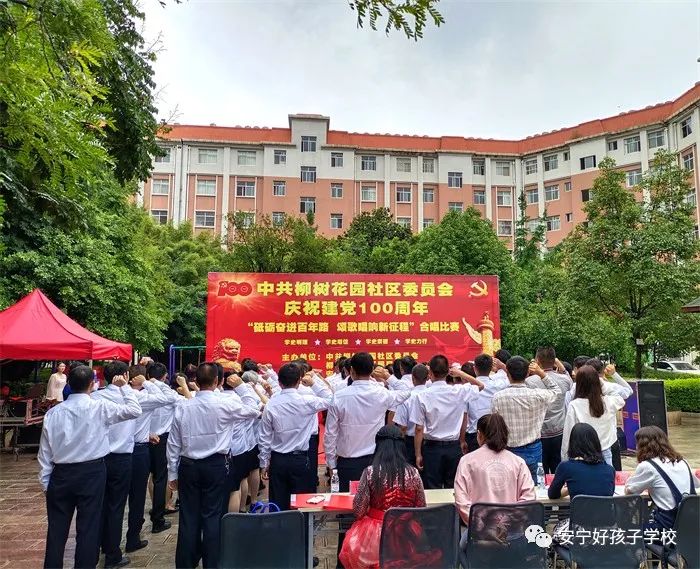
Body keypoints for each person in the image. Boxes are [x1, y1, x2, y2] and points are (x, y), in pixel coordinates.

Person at [38, 365, 142, 569]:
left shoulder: (54, 413)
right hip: (91, 472)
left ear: (69, 384)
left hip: (61, 473)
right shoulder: (99, 407)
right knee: (88, 528)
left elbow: (45, 451)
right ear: (92, 384)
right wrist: (124, 387)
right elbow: (134, 410)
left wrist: (45, 481)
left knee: (56, 531)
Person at [167, 362, 261, 569]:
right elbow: (255, 410)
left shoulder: (184, 406)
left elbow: (173, 442)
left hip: (188, 466)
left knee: (188, 517)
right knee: (213, 516)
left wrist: (172, 473)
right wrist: (241, 387)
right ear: (217, 380)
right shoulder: (225, 404)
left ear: (196, 381)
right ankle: (213, 563)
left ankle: (186, 563)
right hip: (216, 466)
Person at [92, 361, 167, 569]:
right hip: (125, 455)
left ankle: (101, 546)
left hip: (100, 457)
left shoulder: (96, 397)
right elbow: (167, 398)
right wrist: (147, 383)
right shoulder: (135, 397)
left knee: (104, 504)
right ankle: (120, 548)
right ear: (125, 376)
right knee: (128, 501)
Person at [338, 425, 438, 569]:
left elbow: (358, 510)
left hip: (376, 536)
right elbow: (421, 508)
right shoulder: (413, 473)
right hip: (407, 534)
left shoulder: (371, 472)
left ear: (378, 446)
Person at [325, 352, 411, 491]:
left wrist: (331, 464)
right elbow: (406, 391)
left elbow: (330, 433)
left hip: (348, 463)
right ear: (372, 370)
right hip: (376, 461)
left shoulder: (339, 397)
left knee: (349, 501)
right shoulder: (381, 393)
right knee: (375, 500)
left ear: (351, 371)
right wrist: (387, 376)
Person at [258, 363, 333, 510]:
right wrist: (314, 383)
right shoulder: (307, 401)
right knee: (302, 504)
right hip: (301, 459)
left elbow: (265, 437)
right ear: (299, 381)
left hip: (278, 459)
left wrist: (264, 462)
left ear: (279, 382)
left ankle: (280, 524)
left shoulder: (271, 405)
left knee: (278, 504)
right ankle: (302, 525)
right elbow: (331, 400)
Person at [125, 364, 178, 554]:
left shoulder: (122, 396)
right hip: (155, 440)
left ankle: (110, 542)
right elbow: (170, 397)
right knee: (158, 478)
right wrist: (152, 384)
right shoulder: (149, 396)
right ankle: (157, 518)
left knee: (133, 489)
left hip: (138, 441)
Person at [411, 354, 484, 489]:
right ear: (448, 372)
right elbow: (480, 385)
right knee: (453, 488)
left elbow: (419, 428)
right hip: (453, 447)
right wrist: (460, 373)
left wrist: (418, 454)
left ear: (430, 373)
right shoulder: (458, 391)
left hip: (431, 448)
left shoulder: (421, 396)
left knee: (432, 488)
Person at [454, 414, 535, 528]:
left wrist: (480, 525)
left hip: (478, 532)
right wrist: (509, 522)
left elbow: (461, 500)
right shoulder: (518, 462)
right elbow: (529, 498)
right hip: (511, 531)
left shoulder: (466, 461)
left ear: (479, 434)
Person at [491, 356, 557, 482]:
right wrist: (541, 374)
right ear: (527, 373)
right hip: (533, 449)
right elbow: (556, 390)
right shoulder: (538, 395)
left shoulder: (498, 398)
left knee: (510, 486)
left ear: (507, 373)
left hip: (507, 450)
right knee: (534, 487)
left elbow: (495, 426)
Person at [625, 426, 699, 530]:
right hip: (691, 525)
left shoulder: (648, 466)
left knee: (630, 531)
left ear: (642, 446)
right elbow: (696, 484)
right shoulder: (682, 462)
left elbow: (630, 491)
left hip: (666, 527)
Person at [561, 365, 624, 467]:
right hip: (606, 452)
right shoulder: (608, 402)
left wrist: (564, 459)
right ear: (597, 382)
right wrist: (600, 383)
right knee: (607, 477)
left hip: (583, 455)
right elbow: (620, 398)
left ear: (579, 384)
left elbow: (568, 434)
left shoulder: (575, 405)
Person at [525, 347, 572, 475]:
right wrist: (561, 366)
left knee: (541, 471)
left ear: (537, 360)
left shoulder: (529, 382)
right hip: (559, 430)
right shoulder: (564, 380)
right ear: (554, 360)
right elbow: (569, 379)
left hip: (539, 432)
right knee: (559, 469)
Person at [549, 423, 614, 499]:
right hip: (604, 507)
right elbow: (609, 493)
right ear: (596, 443)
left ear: (572, 444)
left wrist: (571, 488)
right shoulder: (609, 469)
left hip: (579, 506)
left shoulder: (566, 467)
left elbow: (552, 494)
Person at [147, 362, 175, 534]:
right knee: (161, 477)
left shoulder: (142, 392)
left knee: (153, 477)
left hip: (145, 438)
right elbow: (176, 398)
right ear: (164, 377)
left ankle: (155, 507)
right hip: (162, 439)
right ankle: (159, 514)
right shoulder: (168, 395)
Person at [465, 354, 509, 453]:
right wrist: (502, 366)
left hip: (473, 434)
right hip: (494, 432)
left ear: (474, 368)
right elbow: (512, 377)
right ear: (491, 368)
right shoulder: (498, 384)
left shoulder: (467, 388)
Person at [392, 363, 430, 466]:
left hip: (410, 442)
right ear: (427, 377)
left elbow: (402, 427)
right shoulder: (432, 395)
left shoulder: (407, 397)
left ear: (412, 378)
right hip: (430, 441)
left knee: (410, 473)